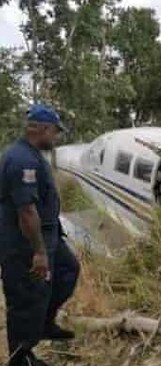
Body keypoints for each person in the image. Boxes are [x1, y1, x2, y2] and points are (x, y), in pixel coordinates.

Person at [0, 104, 80, 366]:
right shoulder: (21, 160)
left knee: (68, 271)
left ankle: (44, 324)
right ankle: (20, 358)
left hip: (48, 235)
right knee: (26, 297)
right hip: (24, 243)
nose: (55, 138)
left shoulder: (32, 155)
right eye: (54, 132)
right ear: (43, 129)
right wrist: (39, 252)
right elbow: (26, 211)